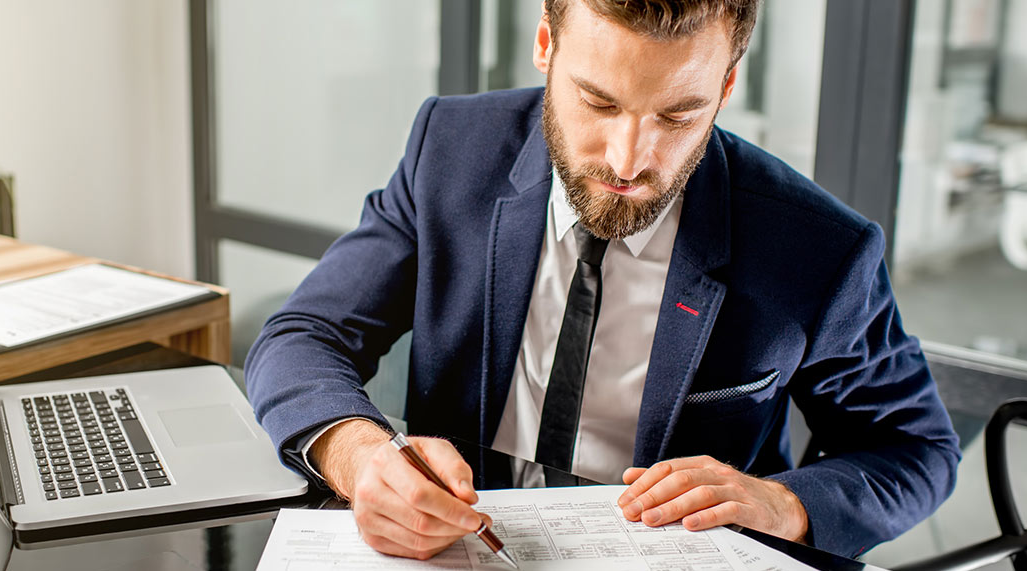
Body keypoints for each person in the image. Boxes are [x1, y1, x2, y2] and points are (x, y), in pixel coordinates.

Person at [245, 0, 961, 562]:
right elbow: (305, 332)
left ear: (727, 84)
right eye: (599, 102)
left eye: (679, 115)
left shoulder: (818, 246)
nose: (629, 159)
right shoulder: (450, 149)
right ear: (546, 48)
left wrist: (783, 505)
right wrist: (359, 453)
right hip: (454, 552)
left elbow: (918, 449)